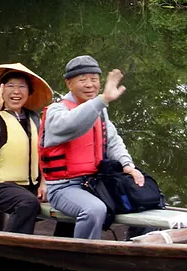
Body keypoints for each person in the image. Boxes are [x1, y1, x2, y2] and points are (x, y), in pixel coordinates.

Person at [39, 56, 146, 240]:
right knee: (93, 210)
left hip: (94, 183)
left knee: (144, 199)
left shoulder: (100, 109)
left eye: (94, 79)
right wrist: (102, 99)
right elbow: (71, 124)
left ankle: (134, 248)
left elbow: (113, 141)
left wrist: (128, 165)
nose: (90, 85)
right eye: (82, 80)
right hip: (63, 187)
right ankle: (83, 256)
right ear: (69, 83)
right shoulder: (57, 111)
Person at [0, 63, 54, 234]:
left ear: (29, 92)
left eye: (22, 86)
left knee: (68, 197)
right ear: (1, 90)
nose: (16, 91)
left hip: (29, 183)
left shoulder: (33, 118)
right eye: (10, 86)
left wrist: (44, 183)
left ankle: (63, 248)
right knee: (28, 203)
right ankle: (9, 247)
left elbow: (45, 152)